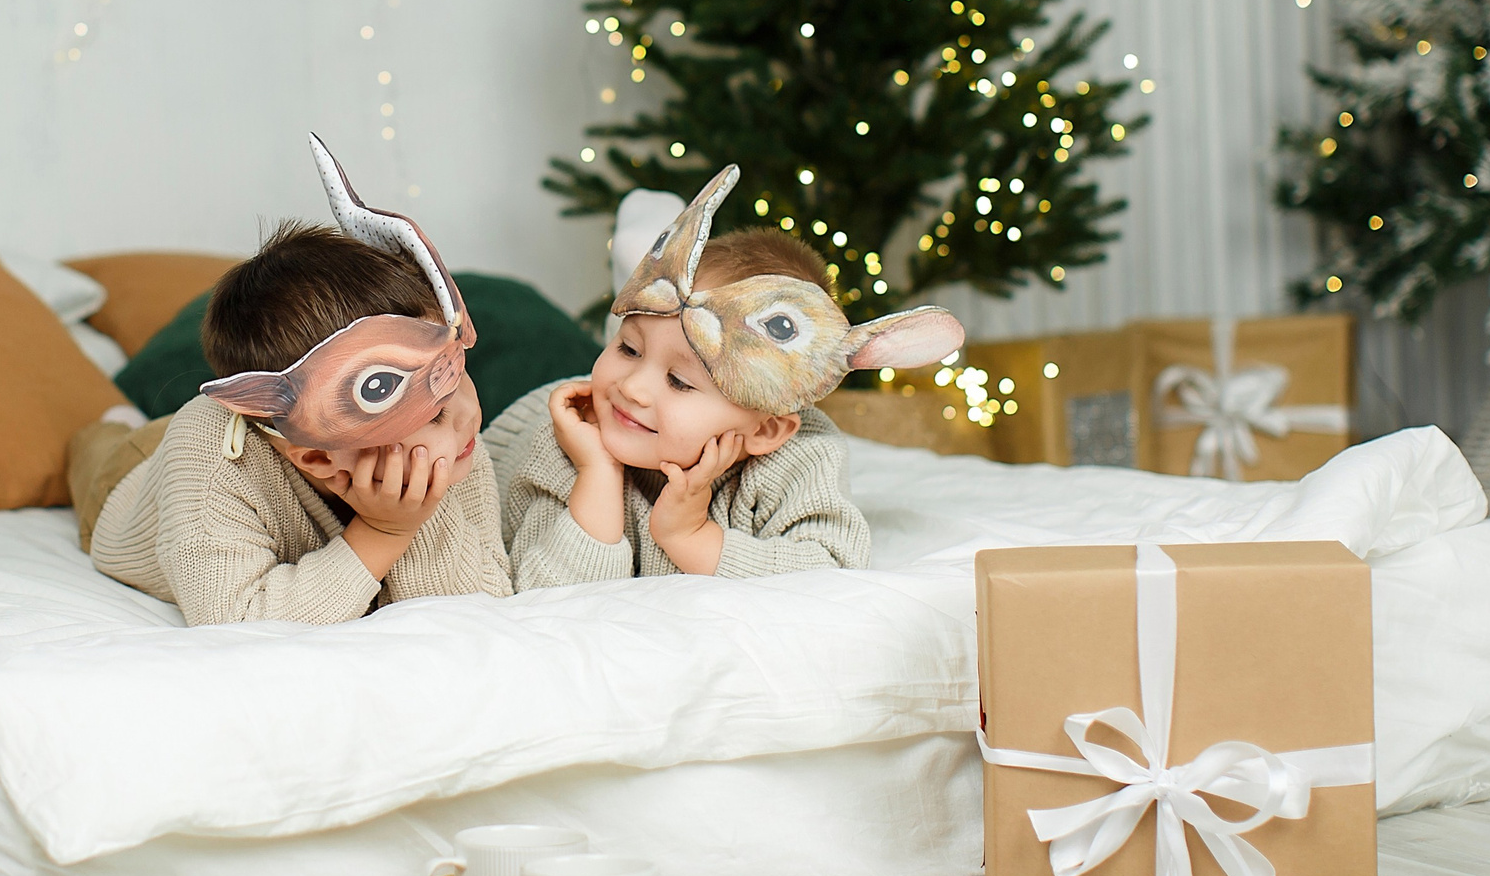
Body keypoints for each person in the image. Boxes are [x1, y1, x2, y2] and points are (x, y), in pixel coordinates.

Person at [86, 139, 510, 624]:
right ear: (315, 457)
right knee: (100, 449)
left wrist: (415, 517)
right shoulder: (210, 466)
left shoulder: (454, 446)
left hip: (237, 441)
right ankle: (111, 426)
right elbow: (238, 618)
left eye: (456, 377)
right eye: (433, 412)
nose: (465, 416)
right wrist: (383, 533)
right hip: (136, 479)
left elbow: (480, 604)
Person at [489, 165, 963, 589]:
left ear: (766, 429)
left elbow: (830, 571)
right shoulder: (567, 440)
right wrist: (598, 474)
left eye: (680, 382)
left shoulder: (798, 456)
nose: (631, 388)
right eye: (627, 348)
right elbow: (543, 597)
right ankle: (640, 275)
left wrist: (692, 537)